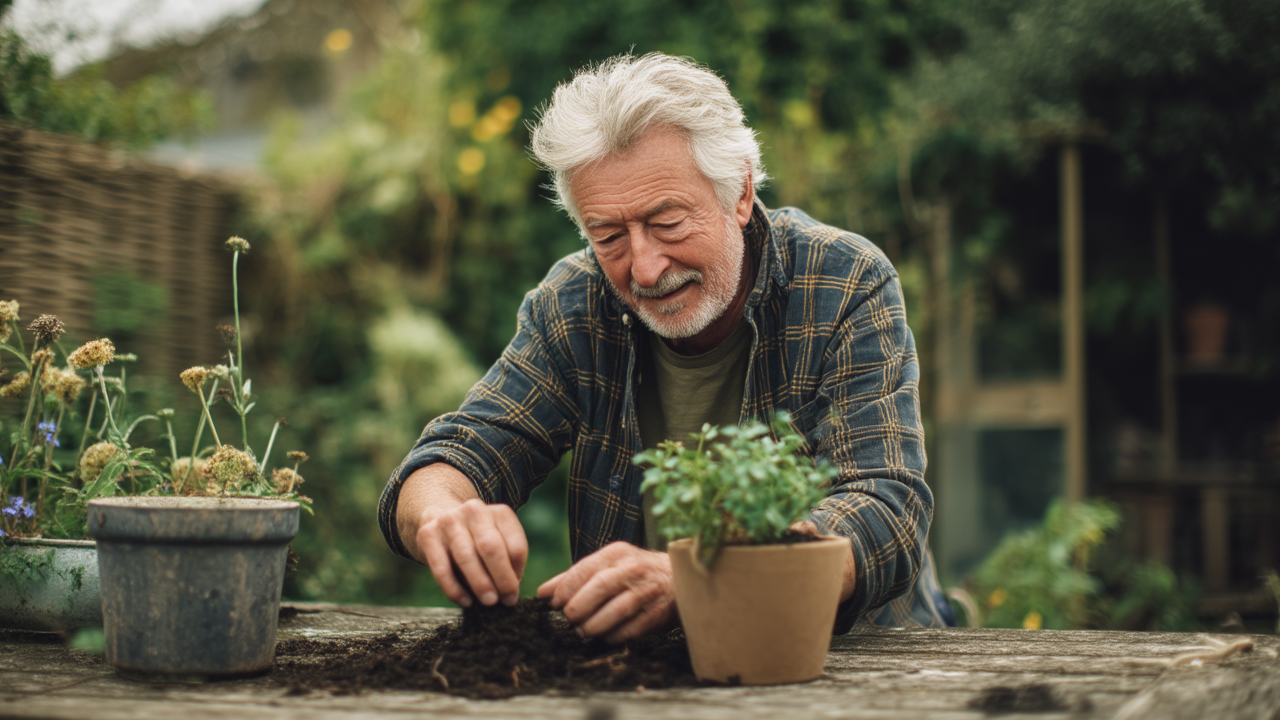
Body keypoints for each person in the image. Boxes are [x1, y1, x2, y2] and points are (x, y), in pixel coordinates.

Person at [378, 52, 953, 643]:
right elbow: (458, 452)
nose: (645, 269)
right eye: (608, 236)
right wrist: (444, 513)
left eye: (668, 223)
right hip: (647, 671)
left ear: (740, 193)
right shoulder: (574, 303)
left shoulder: (843, 281)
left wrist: (701, 579)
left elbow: (885, 508)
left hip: (855, 658)